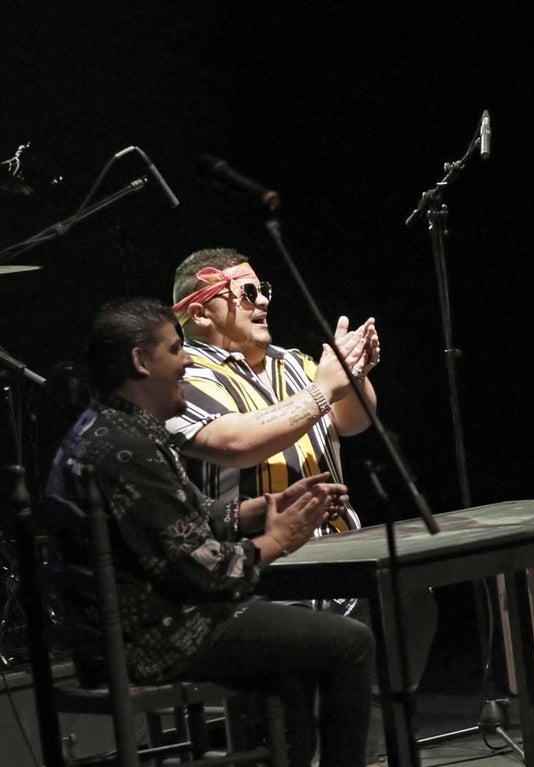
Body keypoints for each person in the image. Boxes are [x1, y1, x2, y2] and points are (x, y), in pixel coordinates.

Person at [44, 297, 376, 767]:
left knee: (304, 645)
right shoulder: (124, 448)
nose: (186, 364)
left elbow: (187, 514)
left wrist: (265, 508)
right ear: (141, 361)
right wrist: (277, 539)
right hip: (156, 637)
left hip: (144, 627)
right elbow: (208, 571)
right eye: (176, 350)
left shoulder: (112, 428)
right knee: (348, 641)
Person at [166, 247, 437, 683]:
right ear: (201, 314)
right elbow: (237, 443)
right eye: (248, 292)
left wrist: (354, 374)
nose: (264, 301)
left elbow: (354, 421)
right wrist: (322, 390)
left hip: (342, 550)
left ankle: (375, 738)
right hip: (261, 564)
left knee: (411, 601)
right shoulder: (184, 375)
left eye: (264, 290)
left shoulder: (293, 362)